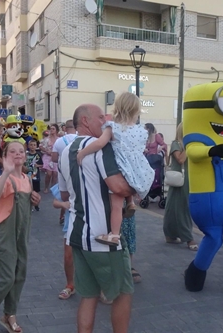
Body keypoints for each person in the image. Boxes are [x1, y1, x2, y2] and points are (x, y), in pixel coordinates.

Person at [59, 103, 134, 333]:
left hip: (76, 234)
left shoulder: (64, 150)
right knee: (123, 292)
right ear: (85, 121)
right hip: (103, 236)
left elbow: (64, 194)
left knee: (88, 296)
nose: (105, 121)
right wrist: (136, 185)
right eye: (100, 117)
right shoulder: (99, 147)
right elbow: (117, 186)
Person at [0, 141, 41, 333]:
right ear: (5, 155)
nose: (18, 154)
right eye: (12, 151)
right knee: (6, 278)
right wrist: (6, 171)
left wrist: (35, 198)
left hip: (22, 233)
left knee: (19, 275)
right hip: (5, 234)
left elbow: (26, 205)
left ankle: (9, 314)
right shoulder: (5, 178)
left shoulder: (26, 179)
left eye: (21, 151)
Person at [77, 92, 154, 246]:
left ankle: (114, 235)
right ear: (136, 110)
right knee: (129, 183)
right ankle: (131, 202)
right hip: (139, 171)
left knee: (116, 207)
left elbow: (99, 144)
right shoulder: (142, 131)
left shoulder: (113, 127)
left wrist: (82, 153)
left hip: (121, 170)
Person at [163, 123, 198, 250]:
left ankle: (171, 235)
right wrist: (189, 146)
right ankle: (188, 238)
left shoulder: (185, 145)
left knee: (176, 207)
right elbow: (180, 159)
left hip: (186, 180)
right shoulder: (176, 144)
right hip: (180, 180)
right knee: (178, 207)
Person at [50, 183, 75, 300]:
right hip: (70, 223)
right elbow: (55, 202)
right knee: (68, 257)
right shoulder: (68, 177)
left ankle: (99, 287)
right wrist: (63, 204)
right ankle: (70, 285)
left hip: (91, 223)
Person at [52, 119, 77, 225]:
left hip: (63, 172)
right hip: (77, 172)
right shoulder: (79, 139)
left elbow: (54, 158)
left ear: (65, 129)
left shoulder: (59, 141)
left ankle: (63, 215)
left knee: (64, 195)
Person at [24, 139, 43, 211]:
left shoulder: (38, 155)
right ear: (28, 146)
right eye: (31, 145)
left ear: (36, 146)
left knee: (36, 191)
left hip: (35, 175)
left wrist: (37, 165)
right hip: (27, 176)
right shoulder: (26, 155)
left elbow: (41, 164)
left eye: (34, 145)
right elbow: (23, 163)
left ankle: (36, 204)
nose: (32, 146)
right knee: (29, 191)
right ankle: (30, 205)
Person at [40, 124, 59, 193]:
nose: (51, 130)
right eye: (51, 129)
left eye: (53, 129)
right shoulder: (47, 139)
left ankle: (53, 188)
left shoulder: (59, 139)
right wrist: (46, 150)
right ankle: (46, 187)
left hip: (55, 157)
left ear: (56, 130)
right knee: (49, 174)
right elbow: (40, 146)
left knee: (55, 174)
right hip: (47, 157)